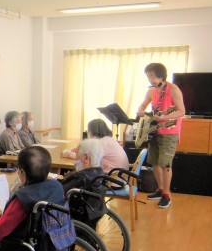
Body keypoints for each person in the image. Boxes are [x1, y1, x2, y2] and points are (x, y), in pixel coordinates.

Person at [0, 146, 68, 241]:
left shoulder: (23, 198)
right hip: (53, 240)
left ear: (22, 172)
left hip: (22, 245)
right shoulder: (57, 186)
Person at [137, 62, 185, 209]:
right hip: (154, 130)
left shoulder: (173, 89)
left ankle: (166, 195)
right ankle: (160, 189)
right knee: (154, 162)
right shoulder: (151, 91)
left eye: (152, 76)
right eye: (148, 76)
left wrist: (164, 118)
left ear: (161, 75)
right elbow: (143, 105)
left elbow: (181, 111)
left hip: (169, 131)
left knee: (166, 164)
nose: (150, 79)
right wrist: (140, 110)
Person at [61, 138, 107, 229]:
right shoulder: (100, 173)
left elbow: (61, 192)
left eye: (76, 155)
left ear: (86, 158)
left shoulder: (81, 178)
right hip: (91, 215)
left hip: (73, 214)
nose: (75, 159)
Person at [62, 119, 129, 173]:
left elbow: (87, 159)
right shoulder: (110, 140)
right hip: (120, 177)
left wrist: (70, 154)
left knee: (79, 169)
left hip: (111, 180)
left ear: (91, 132)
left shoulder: (100, 143)